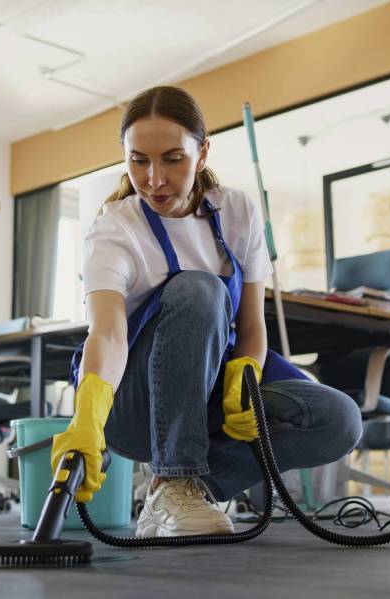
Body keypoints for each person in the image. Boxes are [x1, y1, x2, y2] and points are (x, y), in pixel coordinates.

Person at [51, 86, 363, 537]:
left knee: (338, 419)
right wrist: (87, 416)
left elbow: (254, 327)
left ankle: (181, 489)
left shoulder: (236, 211)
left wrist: (248, 372)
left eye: (172, 159)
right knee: (200, 288)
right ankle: (174, 478)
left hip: (209, 393)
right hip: (134, 405)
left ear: (202, 154)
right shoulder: (115, 229)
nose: (154, 178)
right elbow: (109, 334)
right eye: (138, 160)